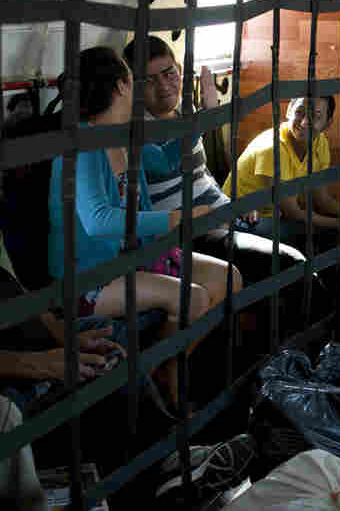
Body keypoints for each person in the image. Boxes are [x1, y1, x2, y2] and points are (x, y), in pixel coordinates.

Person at [47, 46, 243, 409]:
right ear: (122, 86)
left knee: (228, 278)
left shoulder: (123, 136)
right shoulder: (81, 147)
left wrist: (206, 115)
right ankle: (158, 379)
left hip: (134, 257)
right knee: (194, 298)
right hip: (92, 276)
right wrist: (178, 218)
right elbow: (97, 220)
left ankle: (165, 366)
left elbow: (168, 159)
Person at [122, 36, 330, 333]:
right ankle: (309, 345)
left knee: (312, 238)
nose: (164, 85)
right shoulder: (134, 130)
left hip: (224, 218)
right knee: (290, 260)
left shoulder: (184, 114)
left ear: (179, 69)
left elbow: (201, 178)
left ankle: (311, 336)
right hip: (188, 233)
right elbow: (166, 162)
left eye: (169, 73)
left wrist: (230, 205)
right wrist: (206, 119)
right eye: (149, 80)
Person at [222, 95, 340, 253]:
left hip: (274, 216)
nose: (305, 121)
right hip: (240, 218)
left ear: (328, 123)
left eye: (316, 116)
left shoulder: (319, 143)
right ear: (288, 111)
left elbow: (323, 200)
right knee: (311, 234)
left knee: (333, 233)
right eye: (300, 112)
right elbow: (293, 213)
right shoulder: (273, 148)